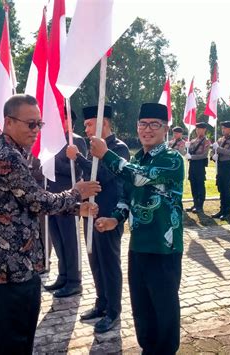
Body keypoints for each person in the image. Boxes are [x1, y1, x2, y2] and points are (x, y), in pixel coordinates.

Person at [0, 94, 101, 355]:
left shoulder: (12, 152)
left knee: (15, 337)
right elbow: (38, 201)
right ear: (9, 122)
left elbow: (25, 202)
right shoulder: (7, 157)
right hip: (11, 266)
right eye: (30, 124)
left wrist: (76, 208)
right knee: (15, 339)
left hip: (16, 262)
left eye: (39, 124)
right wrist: (76, 193)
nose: (36, 131)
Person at [90, 102, 184, 354]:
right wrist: (114, 219)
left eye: (155, 125)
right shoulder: (137, 158)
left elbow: (140, 176)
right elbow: (127, 195)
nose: (148, 129)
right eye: (143, 124)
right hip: (139, 246)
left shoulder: (172, 159)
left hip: (164, 248)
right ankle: (147, 348)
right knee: (141, 306)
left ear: (165, 129)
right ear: (137, 127)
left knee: (164, 308)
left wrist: (106, 154)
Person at [66, 104, 130, 333]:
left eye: (89, 123)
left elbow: (102, 178)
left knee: (110, 263)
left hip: (110, 214)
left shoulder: (118, 149)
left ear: (104, 122)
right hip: (90, 212)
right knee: (95, 261)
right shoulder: (95, 148)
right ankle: (101, 304)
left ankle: (113, 311)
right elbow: (88, 181)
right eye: (84, 125)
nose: (85, 129)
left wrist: (80, 158)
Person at [44, 110, 87, 298]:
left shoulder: (76, 141)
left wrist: (51, 165)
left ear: (70, 120)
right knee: (57, 238)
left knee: (70, 240)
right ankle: (63, 276)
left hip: (69, 197)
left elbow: (78, 171)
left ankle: (74, 281)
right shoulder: (51, 139)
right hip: (51, 197)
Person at [210, 121, 230, 222]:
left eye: (225, 128)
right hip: (220, 165)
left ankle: (227, 212)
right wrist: (213, 156)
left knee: (227, 188)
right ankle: (222, 210)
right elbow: (213, 150)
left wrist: (219, 149)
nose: (223, 130)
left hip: (228, 165)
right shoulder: (220, 139)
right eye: (222, 128)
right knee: (221, 187)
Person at [185, 122, 210, 213]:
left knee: (200, 184)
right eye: (197, 129)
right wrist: (186, 147)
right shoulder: (193, 141)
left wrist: (192, 157)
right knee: (193, 184)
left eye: (200, 129)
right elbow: (187, 153)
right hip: (192, 165)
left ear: (204, 130)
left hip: (200, 165)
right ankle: (195, 203)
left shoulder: (206, 141)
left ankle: (200, 205)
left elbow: (204, 155)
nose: (198, 131)